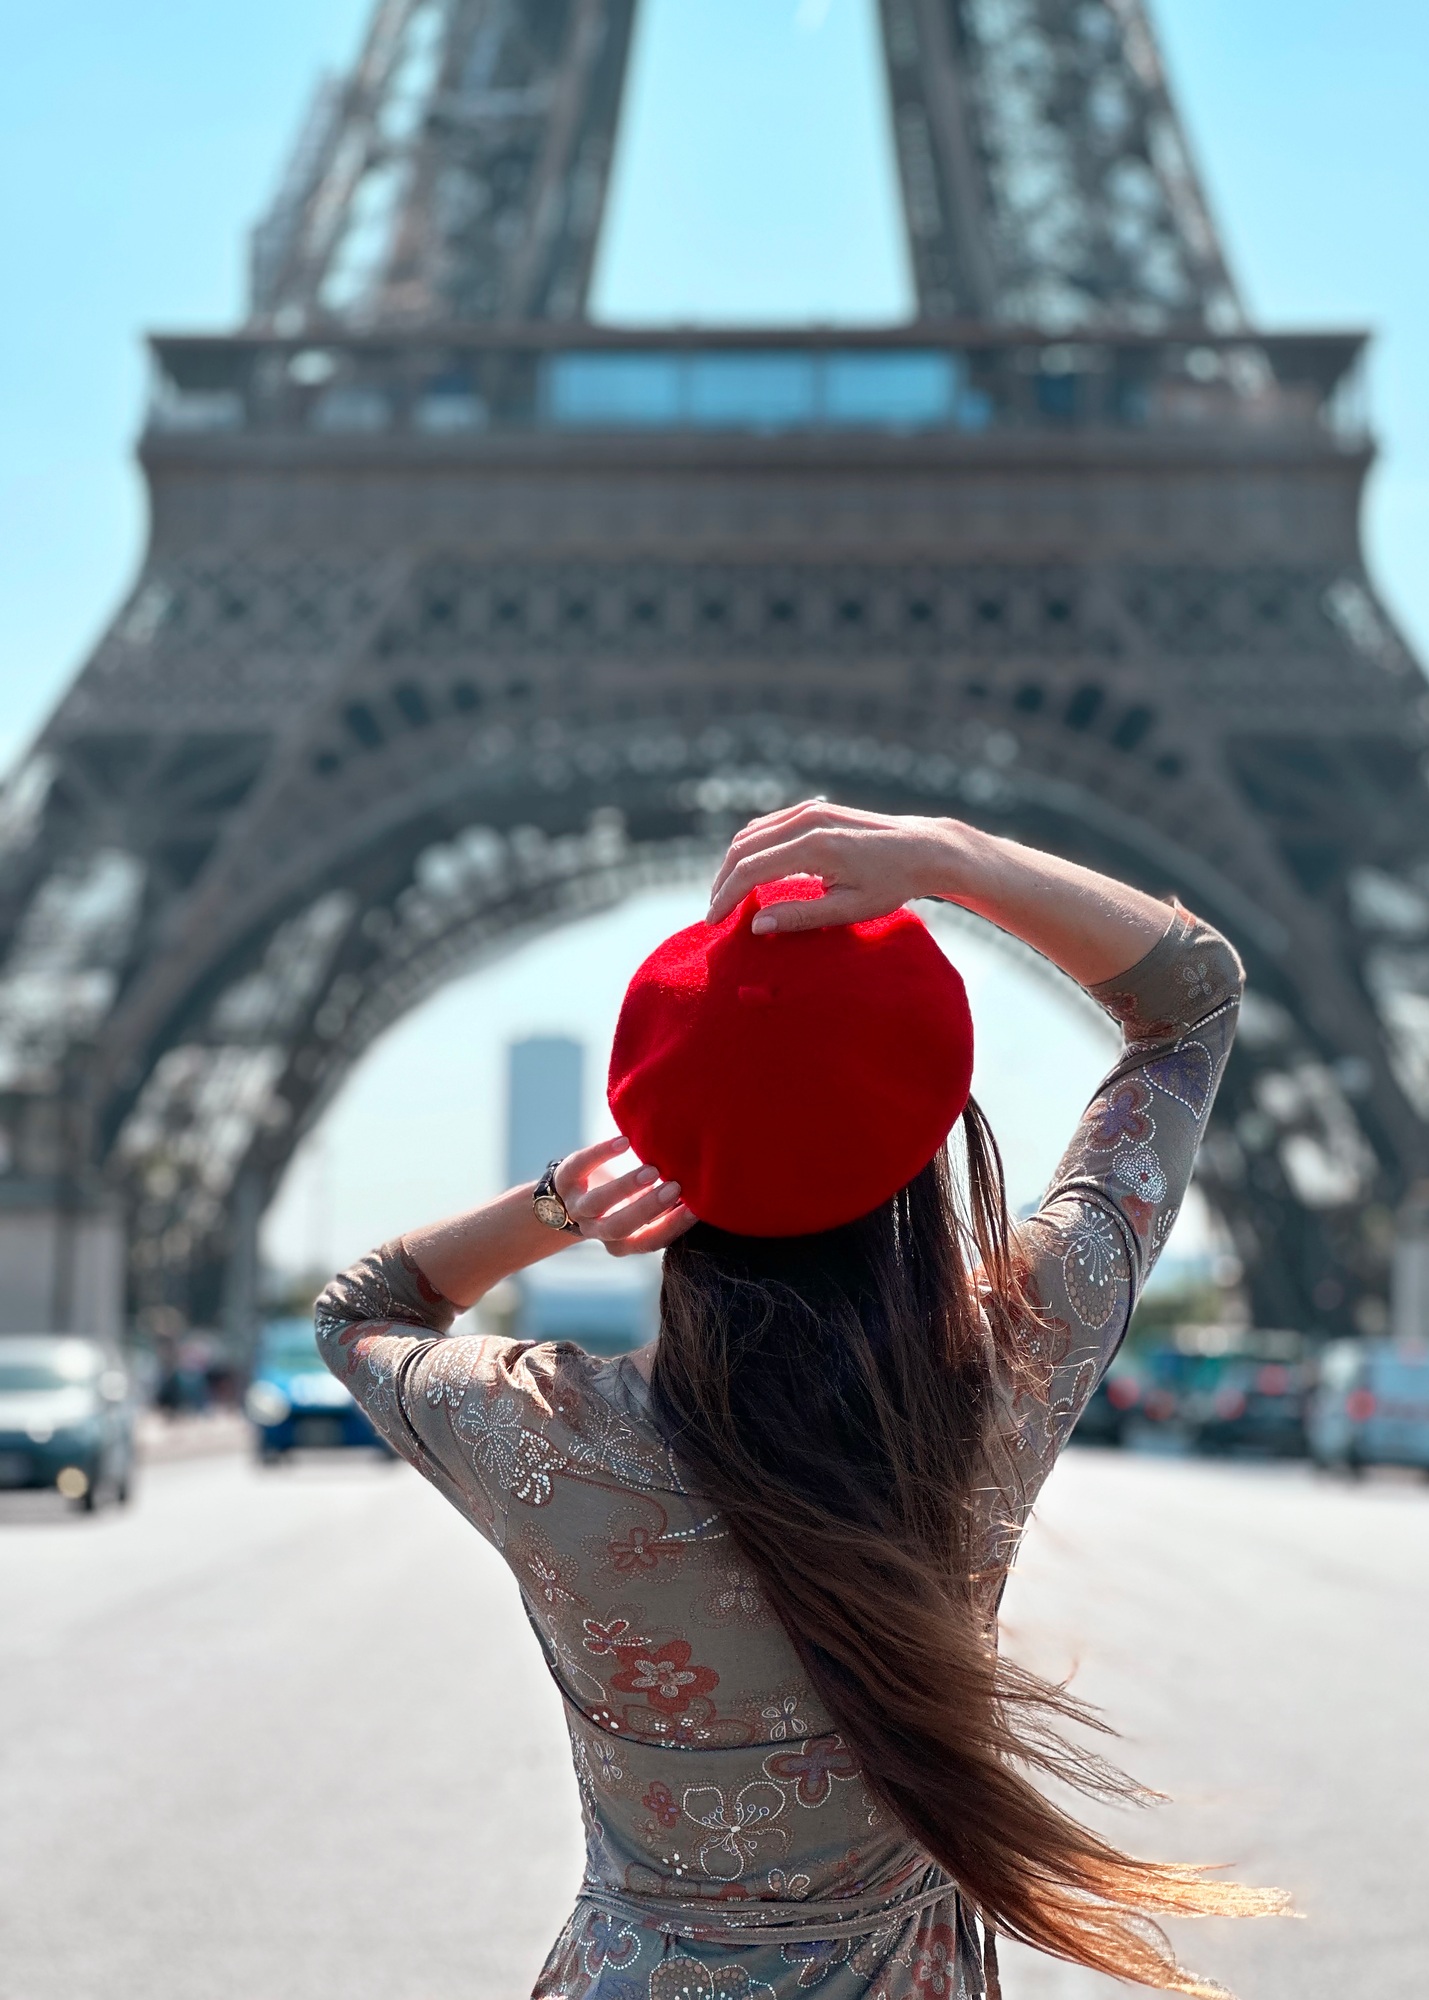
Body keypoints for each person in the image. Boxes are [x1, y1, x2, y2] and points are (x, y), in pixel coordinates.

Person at [316, 801, 1286, 2000]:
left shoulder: (544, 1436)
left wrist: (558, 1202)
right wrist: (951, 857)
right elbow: (1193, 999)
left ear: (663, 1134)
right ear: (933, 1127)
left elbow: (358, 1312)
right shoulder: (1007, 1368)